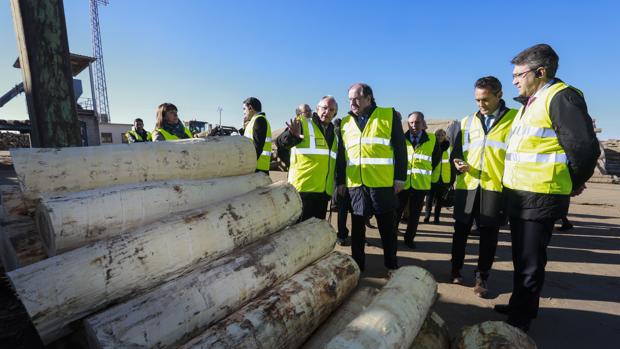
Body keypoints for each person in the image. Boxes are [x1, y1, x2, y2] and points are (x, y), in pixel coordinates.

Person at [494, 44, 600, 332]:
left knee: (530, 261)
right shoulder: (530, 102)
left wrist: (574, 182)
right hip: (520, 194)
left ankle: (521, 320)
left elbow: (584, 148)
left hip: (540, 195)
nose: (514, 80)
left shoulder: (561, 97)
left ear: (540, 72)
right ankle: (520, 303)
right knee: (521, 257)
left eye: (519, 74)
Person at [450, 76, 518, 298]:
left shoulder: (516, 119)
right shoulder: (467, 121)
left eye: (485, 100)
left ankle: (482, 277)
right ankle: (455, 270)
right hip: (467, 185)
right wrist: (456, 161)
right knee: (460, 231)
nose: (480, 104)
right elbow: (457, 151)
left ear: (499, 95)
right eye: (477, 100)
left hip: (495, 187)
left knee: (489, 235)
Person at [335, 83, 407, 273]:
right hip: (356, 185)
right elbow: (342, 155)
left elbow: (401, 150)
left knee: (387, 230)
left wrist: (400, 178)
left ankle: (391, 265)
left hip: (381, 184)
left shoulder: (388, 116)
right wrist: (340, 181)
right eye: (350, 99)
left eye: (356, 98)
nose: (352, 103)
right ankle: (358, 266)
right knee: (358, 230)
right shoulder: (344, 123)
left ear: (369, 98)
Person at [276, 96, 338, 221]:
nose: (327, 112)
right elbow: (281, 143)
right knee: (299, 233)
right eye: (324, 108)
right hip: (303, 191)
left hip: (323, 193)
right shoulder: (303, 123)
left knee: (315, 233)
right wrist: (291, 136)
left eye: (331, 110)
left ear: (335, 113)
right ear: (317, 109)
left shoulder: (335, 135)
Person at [396, 112, 441, 249]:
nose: (414, 125)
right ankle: (391, 237)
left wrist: (429, 178)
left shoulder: (432, 139)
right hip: (401, 184)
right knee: (396, 213)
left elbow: (435, 160)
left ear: (423, 123)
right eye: (411, 123)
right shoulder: (401, 139)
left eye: (417, 122)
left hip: (420, 184)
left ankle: (409, 239)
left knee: (415, 216)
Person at [424, 128, 452, 224]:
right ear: (435, 136)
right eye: (438, 135)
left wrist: (452, 179)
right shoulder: (431, 146)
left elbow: (452, 164)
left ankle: (436, 218)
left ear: (445, 136)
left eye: (442, 135)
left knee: (440, 201)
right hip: (432, 177)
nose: (440, 137)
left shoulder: (449, 149)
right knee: (429, 199)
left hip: (444, 178)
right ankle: (427, 216)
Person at [241, 97, 272, 174]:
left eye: (244, 109)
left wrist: (249, 164)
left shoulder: (259, 120)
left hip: (258, 168)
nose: (244, 112)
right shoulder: (253, 121)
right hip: (256, 166)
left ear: (250, 108)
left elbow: (257, 146)